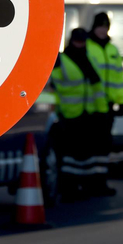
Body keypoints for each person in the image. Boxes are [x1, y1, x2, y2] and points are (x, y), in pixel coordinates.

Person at [50, 28, 108, 202]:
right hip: (68, 116)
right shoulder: (61, 60)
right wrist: (56, 112)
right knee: (70, 156)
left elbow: (96, 88)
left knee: (84, 154)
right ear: (71, 41)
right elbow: (53, 87)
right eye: (77, 41)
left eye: (83, 41)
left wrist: (101, 111)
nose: (80, 44)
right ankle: (69, 187)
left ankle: (84, 185)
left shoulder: (88, 58)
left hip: (87, 114)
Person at [85, 13, 123, 196]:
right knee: (89, 147)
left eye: (105, 26)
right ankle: (87, 182)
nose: (102, 29)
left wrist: (121, 102)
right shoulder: (87, 47)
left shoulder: (113, 50)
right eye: (99, 26)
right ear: (94, 27)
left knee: (103, 147)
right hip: (89, 106)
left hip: (107, 107)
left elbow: (119, 79)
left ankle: (100, 182)